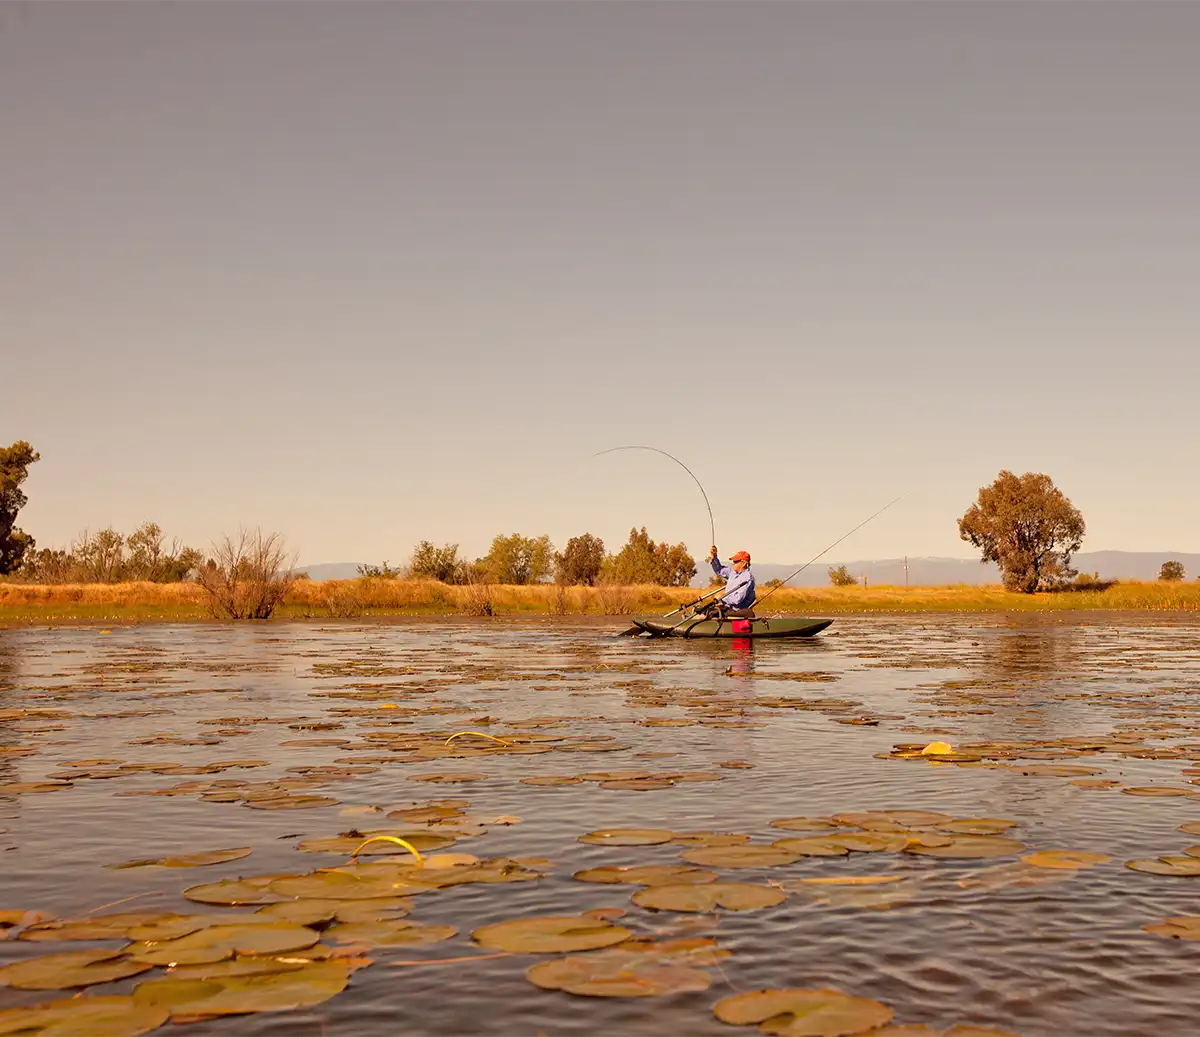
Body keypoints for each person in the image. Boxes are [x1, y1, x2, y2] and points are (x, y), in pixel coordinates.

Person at [706, 546, 756, 616]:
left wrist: (722, 597)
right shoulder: (732, 572)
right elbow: (719, 570)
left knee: (712, 614)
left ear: (743, 563)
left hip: (737, 612)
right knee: (706, 611)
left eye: (735, 562)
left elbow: (737, 600)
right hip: (727, 608)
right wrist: (714, 556)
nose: (733, 563)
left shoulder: (747, 579)